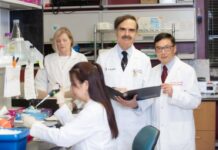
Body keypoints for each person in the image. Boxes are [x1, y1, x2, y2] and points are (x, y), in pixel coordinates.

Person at [23, 62, 119, 150]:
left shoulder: (93, 110)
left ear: (85, 84)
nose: (71, 88)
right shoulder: (97, 104)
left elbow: (63, 138)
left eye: (73, 84)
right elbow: (75, 127)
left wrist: (34, 125)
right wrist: (61, 101)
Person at [96, 14, 152, 150]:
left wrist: (136, 104)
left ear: (136, 33)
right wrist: (110, 90)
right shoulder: (103, 59)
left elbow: (150, 93)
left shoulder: (144, 60)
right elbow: (95, 89)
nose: (127, 34)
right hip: (110, 122)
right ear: (116, 31)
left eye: (131, 30)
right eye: (122, 29)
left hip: (135, 122)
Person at [150, 32, 201, 150]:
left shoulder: (187, 71)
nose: (163, 52)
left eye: (166, 48)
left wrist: (174, 93)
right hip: (157, 134)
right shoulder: (152, 72)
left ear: (174, 49)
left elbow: (195, 101)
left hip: (179, 135)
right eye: (159, 48)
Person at [35, 27, 87, 99]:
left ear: (71, 40)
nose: (61, 43)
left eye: (64, 40)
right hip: (52, 101)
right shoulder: (48, 59)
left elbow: (85, 84)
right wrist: (46, 97)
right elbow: (40, 83)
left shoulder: (81, 58)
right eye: (58, 41)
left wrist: (68, 97)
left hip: (74, 100)